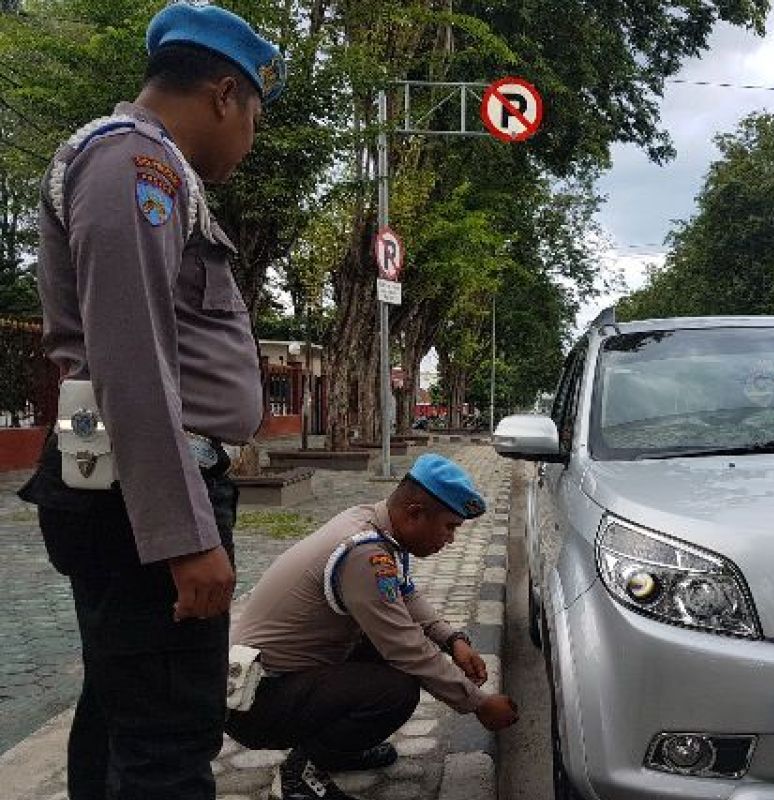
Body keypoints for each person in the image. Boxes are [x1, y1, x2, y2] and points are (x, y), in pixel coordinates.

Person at [16, 4, 285, 799]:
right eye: (255, 117)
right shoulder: (138, 165)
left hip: (124, 492)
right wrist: (182, 535)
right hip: (144, 506)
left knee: (121, 717)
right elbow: (130, 360)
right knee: (168, 743)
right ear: (224, 94)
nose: (250, 137)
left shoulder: (146, 167)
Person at [225, 454, 520, 800]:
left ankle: (338, 752)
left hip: (277, 682)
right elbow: (406, 647)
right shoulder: (365, 553)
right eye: (450, 527)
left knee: (384, 655)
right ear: (414, 513)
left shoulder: (373, 524)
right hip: (257, 703)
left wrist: (452, 639)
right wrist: (478, 703)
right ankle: (298, 777)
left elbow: (404, 595)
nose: (451, 540)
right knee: (394, 691)